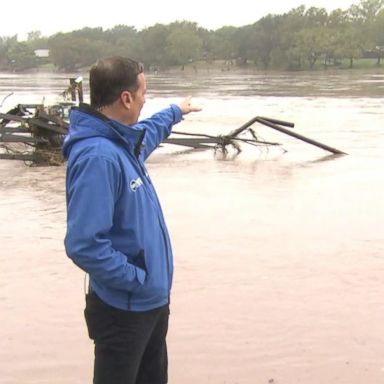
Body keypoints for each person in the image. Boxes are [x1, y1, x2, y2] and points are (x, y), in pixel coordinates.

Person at [63, 56, 201, 384]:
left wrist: (176, 111)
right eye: (143, 92)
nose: (144, 99)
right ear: (126, 98)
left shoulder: (123, 143)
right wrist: (136, 279)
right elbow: (83, 244)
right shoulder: (99, 156)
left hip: (150, 303)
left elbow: (148, 132)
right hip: (124, 309)